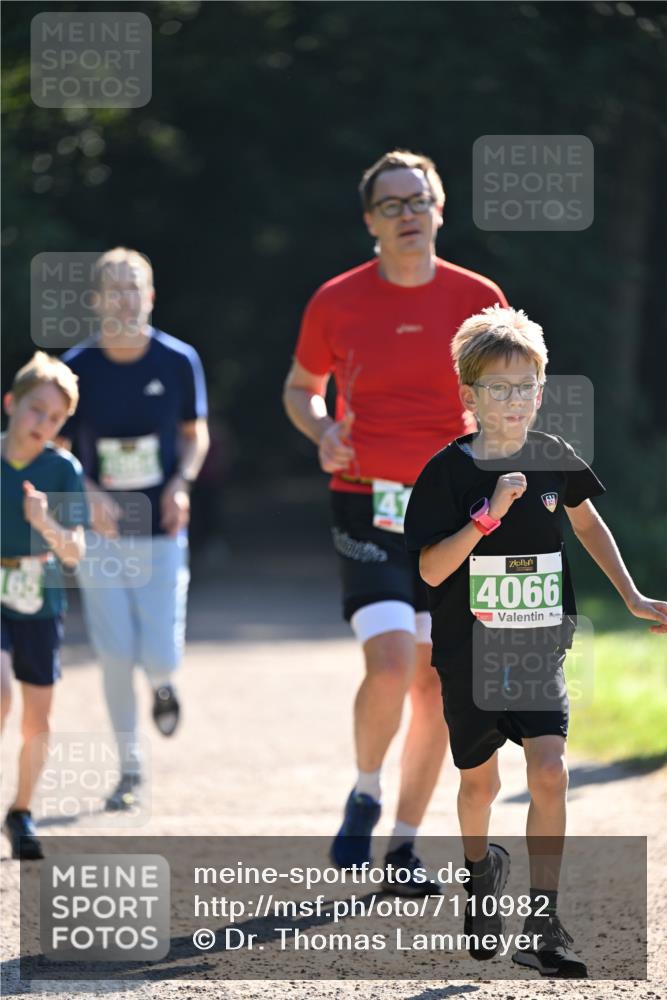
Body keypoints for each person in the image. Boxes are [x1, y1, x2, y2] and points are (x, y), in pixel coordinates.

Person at [404, 304, 667, 975]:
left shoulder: (553, 457)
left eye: (526, 387)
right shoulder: (446, 473)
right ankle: (478, 873)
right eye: (499, 388)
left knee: (548, 770)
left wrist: (632, 595)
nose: (514, 401)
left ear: (541, 390)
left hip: (538, 645)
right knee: (477, 786)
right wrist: (487, 520)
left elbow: (586, 526)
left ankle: (544, 923)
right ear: (469, 396)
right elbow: (431, 567)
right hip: (468, 653)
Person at [283, 150, 508, 894]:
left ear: (440, 210)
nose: (408, 213)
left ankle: (403, 847)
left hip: (451, 512)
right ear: (369, 221)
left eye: (420, 200)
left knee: (435, 685)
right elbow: (301, 387)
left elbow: (510, 395)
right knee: (388, 663)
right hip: (366, 501)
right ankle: (365, 789)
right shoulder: (337, 300)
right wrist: (321, 430)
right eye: (392, 204)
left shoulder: (478, 301)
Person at [58, 247, 209, 811]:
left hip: (163, 527)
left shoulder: (178, 361)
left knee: (161, 653)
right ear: (96, 302)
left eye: (135, 287)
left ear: (150, 296)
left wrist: (181, 482)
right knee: (115, 652)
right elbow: (57, 445)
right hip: (103, 533)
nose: (126, 298)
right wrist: (87, 490)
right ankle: (130, 769)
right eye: (114, 289)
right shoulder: (78, 366)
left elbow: (196, 434)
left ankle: (166, 686)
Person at [1, 352, 88, 859]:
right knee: (0, 696)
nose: (44, 424)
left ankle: (21, 811)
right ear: (11, 403)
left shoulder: (62, 470)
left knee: (37, 719)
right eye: (36, 410)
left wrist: (45, 523)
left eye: (55, 418)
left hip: (39, 601)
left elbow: (74, 551)